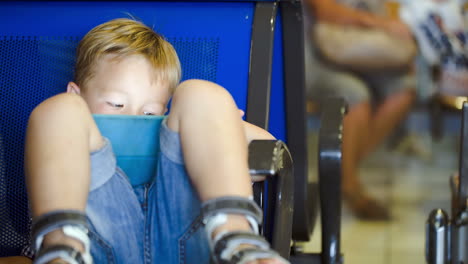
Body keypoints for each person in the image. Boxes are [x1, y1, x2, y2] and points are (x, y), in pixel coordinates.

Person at [19, 18, 288, 264]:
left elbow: (267, 152)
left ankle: (236, 236)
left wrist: (220, 125)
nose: (134, 118)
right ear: (78, 95)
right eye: (116, 104)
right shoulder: (63, 146)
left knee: (200, 93)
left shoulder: (179, 134)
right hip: (90, 246)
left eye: (149, 113)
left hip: (188, 242)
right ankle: (60, 248)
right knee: (56, 111)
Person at [305, 0, 417, 220]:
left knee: (404, 90)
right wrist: (380, 25)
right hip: (313, 54)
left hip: (358, 50)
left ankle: (339, 172)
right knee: (355, 96)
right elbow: (326, 11)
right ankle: (350, 186)